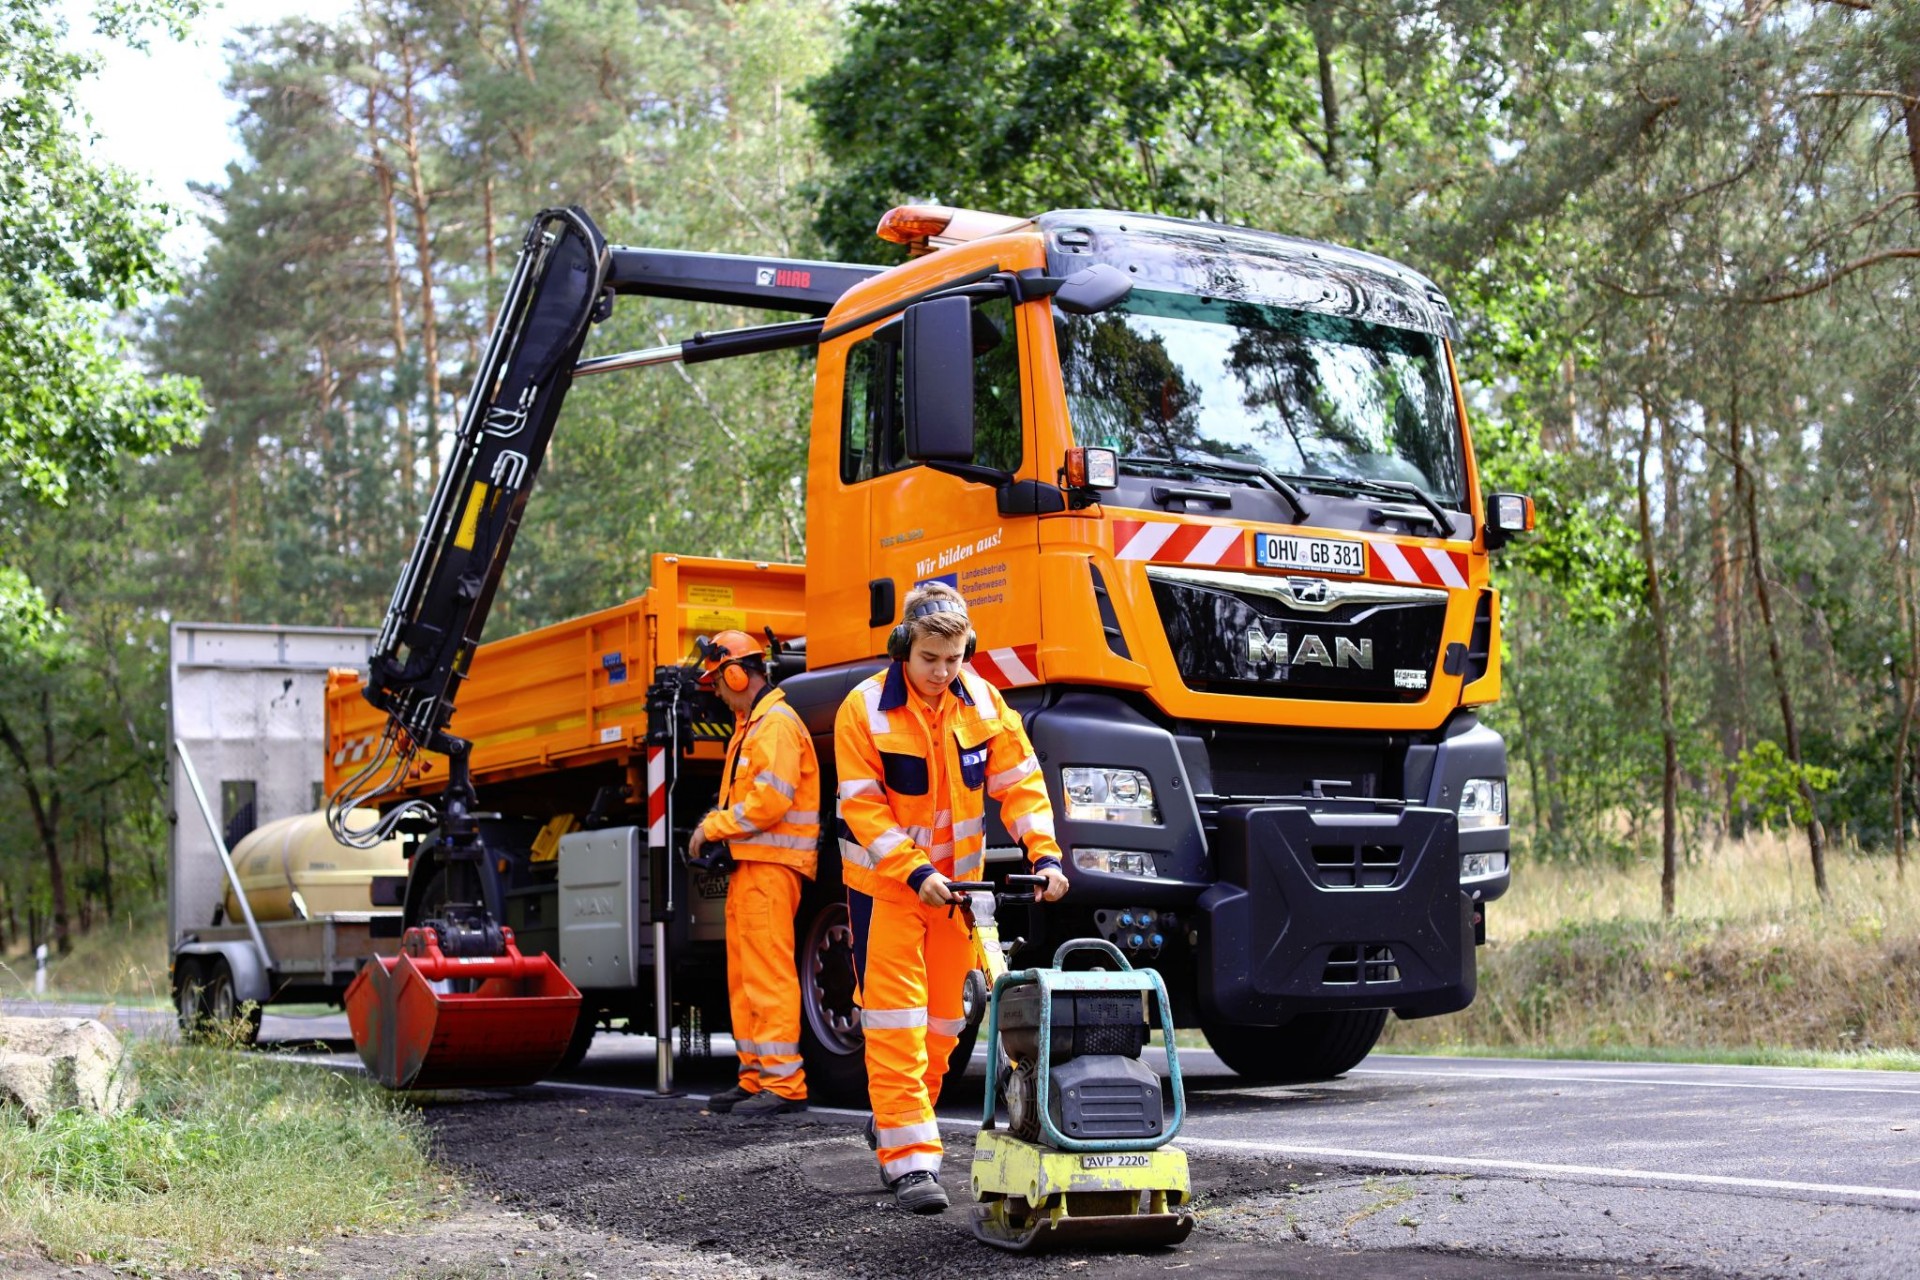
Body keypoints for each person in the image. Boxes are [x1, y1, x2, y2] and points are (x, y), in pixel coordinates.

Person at [833, 582, 1068, 1213]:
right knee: (896, 1026)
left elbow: (1021, 785)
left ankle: (896, 1123)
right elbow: (862, 809)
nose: (942, 672)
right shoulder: (863, 710)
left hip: (956, 895)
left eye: (954, 658)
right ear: (903, 648)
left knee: (944, 1025)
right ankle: (910, 1163)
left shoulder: (985, 703)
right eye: (930, 659)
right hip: (887, 891)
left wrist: (1043, 855)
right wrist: (914, 873)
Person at [688, 629, 820, 1117]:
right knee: (745, 978)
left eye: (717, 683)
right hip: (753, 867)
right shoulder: (753, 725)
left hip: (772, 867)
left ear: (736, 673)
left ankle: (785, 1085)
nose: (717, 693)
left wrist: (713, 827)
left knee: (768, 977)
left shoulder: (776, 724)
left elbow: (769, 801)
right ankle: (754, 1076)